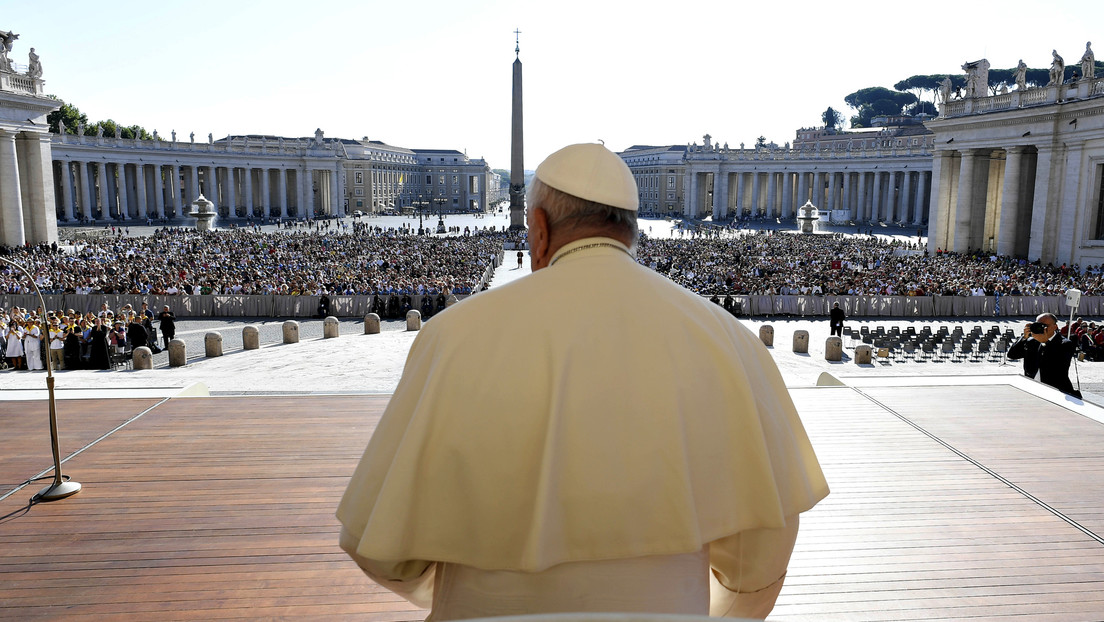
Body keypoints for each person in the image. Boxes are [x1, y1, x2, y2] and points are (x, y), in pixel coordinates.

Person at [337, 143, 829, 619]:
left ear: (539, 228)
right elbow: (761, 552)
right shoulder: (727, 338)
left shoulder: (452, 336)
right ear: (631, 232)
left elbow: (378, 545)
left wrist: (450, 598)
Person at [1007, 313, 1079, 397]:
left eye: (1045, 325)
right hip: (1032, 388)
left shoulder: (1065, 343)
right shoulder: (1032, 341)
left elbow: (1059, 367)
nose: (1042, 328)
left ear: (1055, 327)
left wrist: (1045, 343)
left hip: (1055, 390)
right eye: (1038, 325)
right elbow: (1012, 355)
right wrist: (1024, 337)